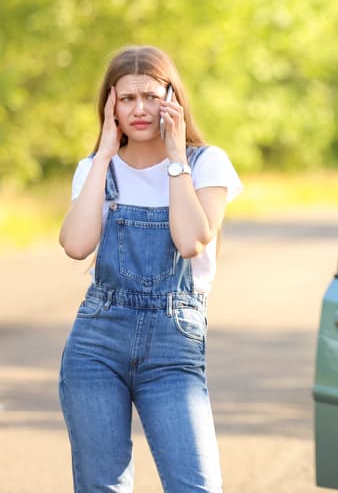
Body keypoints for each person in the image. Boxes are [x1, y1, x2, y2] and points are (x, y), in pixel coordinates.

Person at [58, 45, 242, 492]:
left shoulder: (205, 164)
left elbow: (191, 239)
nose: (139, 109)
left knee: (195, 486)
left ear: (172, 98)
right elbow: (76, 245)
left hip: (172, 346)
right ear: (110, 106)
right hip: (97, 342)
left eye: (150, 95)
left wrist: (176, 158)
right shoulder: (96, 169)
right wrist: (102, 156)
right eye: (126, 99)